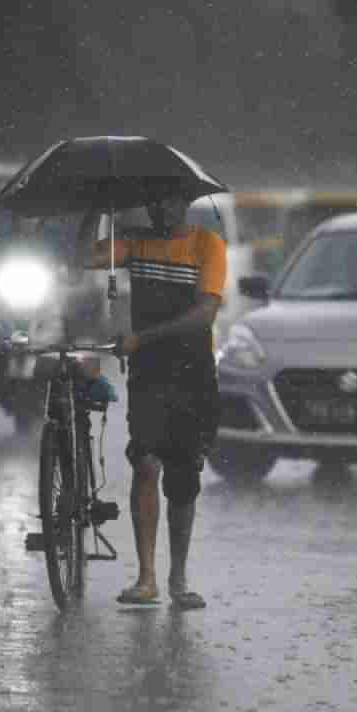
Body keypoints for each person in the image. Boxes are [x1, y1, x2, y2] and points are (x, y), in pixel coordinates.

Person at [81, 193, 225, 610]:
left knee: (182, 480)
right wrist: (96, 208)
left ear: (185, 202)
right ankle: (146, 579)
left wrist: (142, 338)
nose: (161, 210)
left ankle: (177, 577)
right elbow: (83, 258)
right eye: (154, 203)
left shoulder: (207, 244)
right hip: (148, 373)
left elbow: (205, 314)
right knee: (144, 463)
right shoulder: (136, 243)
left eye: (169, 202)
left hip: (192, 374)